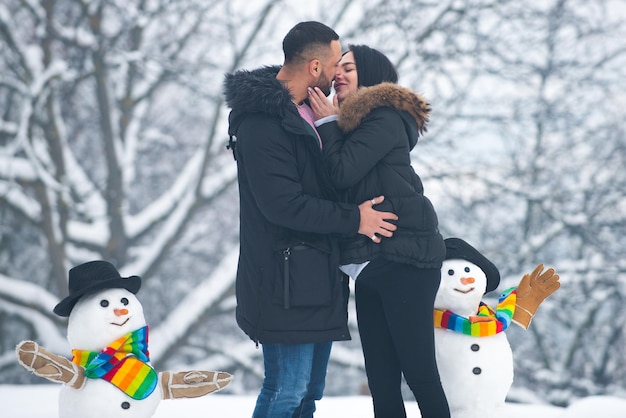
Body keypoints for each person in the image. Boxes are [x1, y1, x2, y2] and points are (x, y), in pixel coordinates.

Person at [222, 24, 398, 418]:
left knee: (307, 394)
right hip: (282, 278)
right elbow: (283, 205)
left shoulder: (311, 110)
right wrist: (355, 220)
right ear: (315, 65)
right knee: (286, 390)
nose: (339, 72)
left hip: (316, 277)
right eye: (337, 63)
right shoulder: (262, 122)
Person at [308, 45, 451, 418]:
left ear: (370, 75)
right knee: (382, 379)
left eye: (348, 68)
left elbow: (341, 172)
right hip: (371, 264)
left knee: (419, 372)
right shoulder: (356, 126)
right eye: (336, 67)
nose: (337, 73)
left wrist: (326, 125)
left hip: (405, 260)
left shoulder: (385, 118)